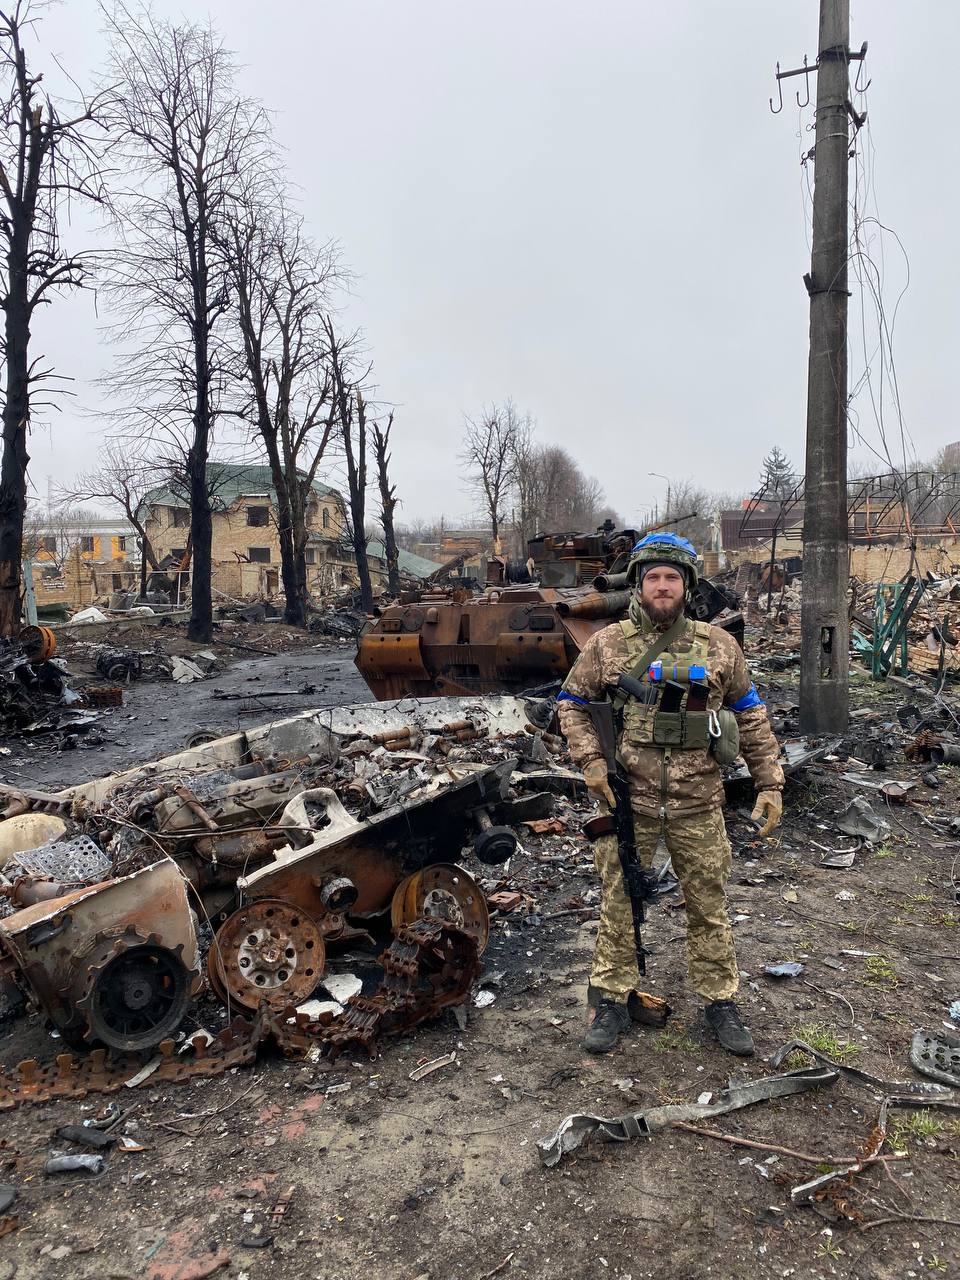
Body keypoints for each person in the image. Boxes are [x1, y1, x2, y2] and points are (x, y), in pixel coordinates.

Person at [556, 532, 783, 1057]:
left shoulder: (720, 645)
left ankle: (720, 1001)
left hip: (698, 803)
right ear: (638, 584)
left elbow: (750, 716)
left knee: (708, 906)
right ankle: (610, 1000)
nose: (662, 586)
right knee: (618, 904)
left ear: (687, 586)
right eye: (652, 577)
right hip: (628, 802)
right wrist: (590, 761)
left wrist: (769, 783)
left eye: (672, 577)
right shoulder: (607, 645)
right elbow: (570, 702)